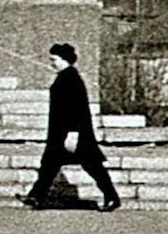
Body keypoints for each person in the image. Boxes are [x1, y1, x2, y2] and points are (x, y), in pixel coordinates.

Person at [21, 42, 120, 212]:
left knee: (93, 166)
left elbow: (77, 108)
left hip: (71, 133)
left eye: (54, 59)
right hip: (62, 132)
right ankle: (36, 196)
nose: (52, 62)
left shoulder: (71, 79)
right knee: (49, 165)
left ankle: (112, 197)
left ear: (64, 59)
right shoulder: (66, 77)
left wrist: (73, 133)